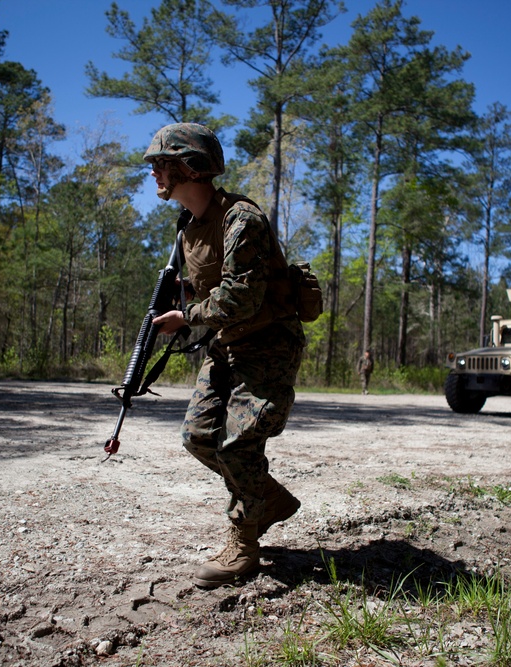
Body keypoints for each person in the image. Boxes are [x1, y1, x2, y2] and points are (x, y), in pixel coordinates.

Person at [146, 123, 304, 588]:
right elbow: (205, 282)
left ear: (189, 166)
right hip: (228, 344)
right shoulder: (188, 227)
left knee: (238, 444)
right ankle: (267, 499)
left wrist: (185, 315)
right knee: (198, 436)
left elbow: (241, 299)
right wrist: (180, 295)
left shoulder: (242, 220)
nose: (154, 173)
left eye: (161, 163)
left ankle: (243, 544)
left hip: (268, 344)